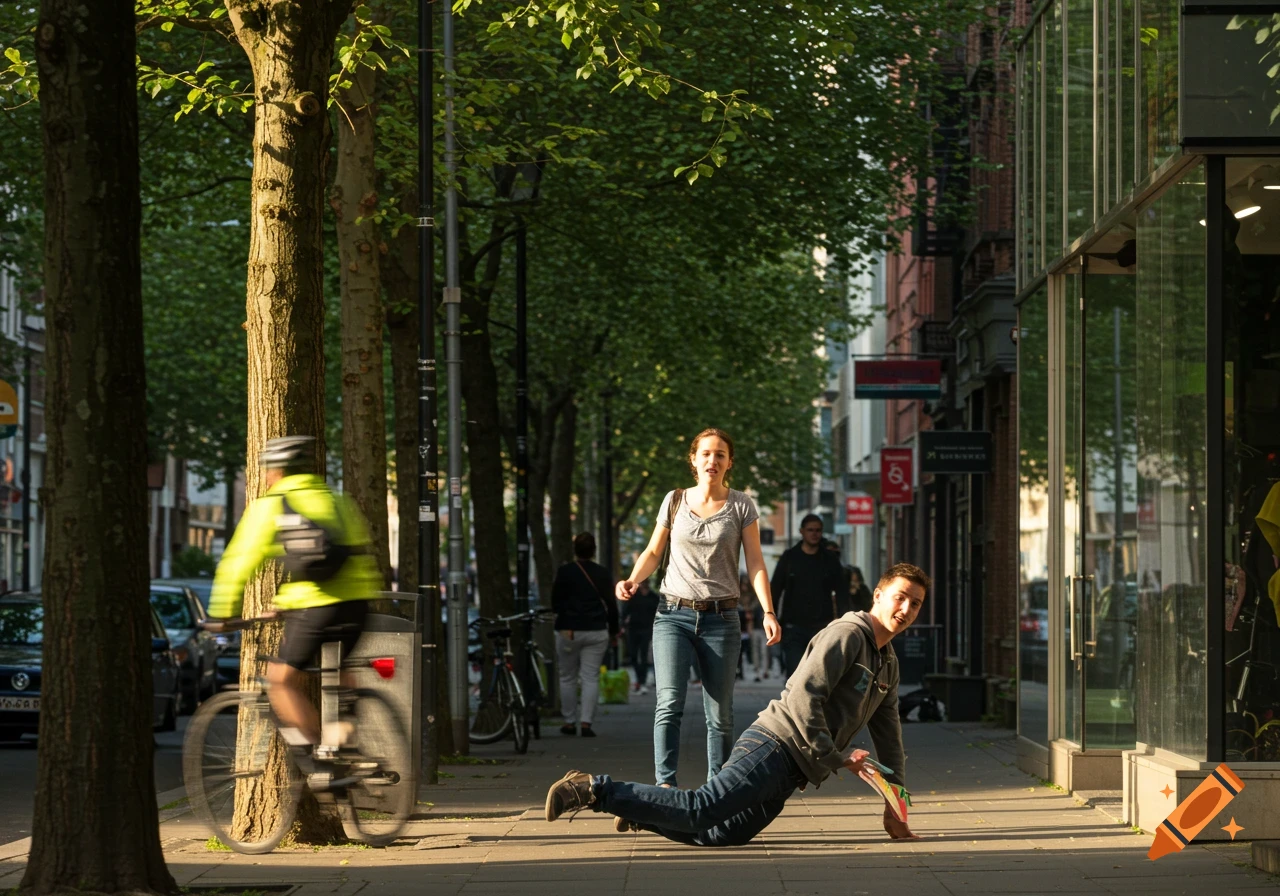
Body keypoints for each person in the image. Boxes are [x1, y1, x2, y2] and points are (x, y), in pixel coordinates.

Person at [544, 562, 930, 847]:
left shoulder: (888, 662)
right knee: (701, 808)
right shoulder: (846, 636)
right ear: (878, 595)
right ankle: (592, 790)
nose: (906, 609)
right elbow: (805, 698)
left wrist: (896, 805)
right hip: (774, 745)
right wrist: (835, 758)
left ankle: (640, 809)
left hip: (794, 770)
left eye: (915, 604)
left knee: (717, 834)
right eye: (900, 597)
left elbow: (889, 736)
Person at [615, 428, 782, 786]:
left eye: (720, 454)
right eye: (706, 453)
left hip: (722, 618)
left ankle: (716, 788)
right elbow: (653, 551)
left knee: (719, 714)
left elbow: (755, 563)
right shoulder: (674, 500)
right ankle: (665, 785)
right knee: (669, 703)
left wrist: (768, 611)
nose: (713, 460)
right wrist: (632, 579)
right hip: (673, 614)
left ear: (729, 462)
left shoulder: (741, 505)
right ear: (693, 459)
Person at [206, 435, 382, 758]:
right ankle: (346, 743)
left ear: (275, 471)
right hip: (357, 605)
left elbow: (238, 562)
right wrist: (286, 600)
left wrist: (220, 614)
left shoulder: (271, 505)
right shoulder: (337, 501)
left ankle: (319, 761)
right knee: (341, 670)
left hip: (315, 608)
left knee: (280, 680)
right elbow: (359, 552)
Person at [551, 532, 619, 737]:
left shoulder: (565, 572)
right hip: (596, 630)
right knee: (590, 677)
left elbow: (555, 601)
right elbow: (611, 604)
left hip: (569, 630)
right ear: (594, 550)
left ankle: (569, 721)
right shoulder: (602, 573)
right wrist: (614, 630)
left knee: (567, 676)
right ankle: (586, 722)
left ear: (575, 550)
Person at [770, 514, 851, 678]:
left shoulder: (829, 559)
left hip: (823, 627)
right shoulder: (790, 557)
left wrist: (846, 623)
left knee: (820, 676)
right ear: (802, 531)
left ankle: (815, 704)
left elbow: (842, 593)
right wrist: (770, 616)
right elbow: (775, 590)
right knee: (795, 675)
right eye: (810, 530)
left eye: (818, 530)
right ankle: (795, 704)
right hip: (794, 628)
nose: (814, 534)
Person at [622, 579, 661, 693]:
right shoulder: (634, 596)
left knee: (644, 655)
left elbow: (658, 612)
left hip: (647, 629)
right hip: (633, 629)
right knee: (633, 655)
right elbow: (625, 611)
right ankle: (639, 678)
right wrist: (623, 625)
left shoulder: (653, 597)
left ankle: (641, 681)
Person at [739, 574, 769, 682]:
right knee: (755, 650)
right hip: (752, 627)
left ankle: (763, 671)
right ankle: (758, 670)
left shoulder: (756, 598)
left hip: (761, 626)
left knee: (763, 650)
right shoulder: (743, 598)